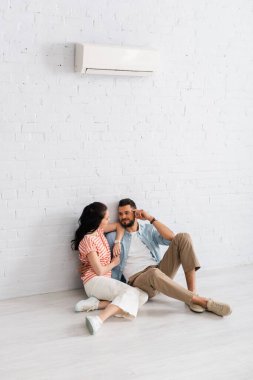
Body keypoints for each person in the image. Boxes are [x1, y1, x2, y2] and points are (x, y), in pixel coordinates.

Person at [106, 198, 232, 317]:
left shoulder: (147, 229)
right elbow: (97, 230)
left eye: (127, 213)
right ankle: (202, 301)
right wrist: (117, 236)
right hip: (138, 280)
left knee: (183, 237)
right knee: (153, 273)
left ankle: (192, 294)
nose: (123, 217)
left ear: (135, 212)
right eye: (120, 214)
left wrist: (150, 218)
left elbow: (171, 237)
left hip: (159, 270)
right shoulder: (114, 237)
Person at [71, 202, 148, 335]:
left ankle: (96, 304)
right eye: (106, 218)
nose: (109, 220)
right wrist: (114, 263)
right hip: (94, 281)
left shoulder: (99, 231)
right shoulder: (88, 240)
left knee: (143, 296)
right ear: (97, 221)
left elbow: (119, 226)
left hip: (103, 281)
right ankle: (98, 320)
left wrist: (117, 242)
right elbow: (99, 271)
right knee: (133, 294)